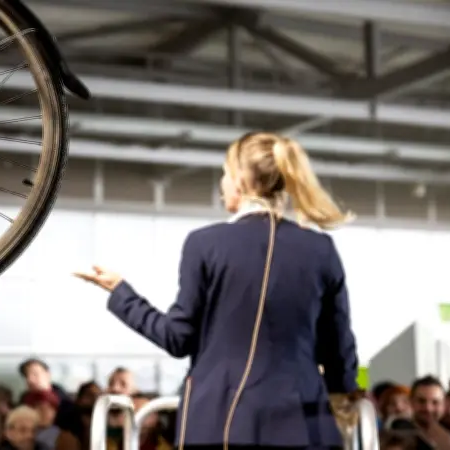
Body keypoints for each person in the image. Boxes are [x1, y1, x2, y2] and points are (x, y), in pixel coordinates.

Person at [75, 132, 359, 450]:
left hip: (219, 423)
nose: (222, 183)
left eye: (224, 174)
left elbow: (177, 338)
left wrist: (120, 292)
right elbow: (339, 349)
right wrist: (344, 398)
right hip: (303, 425)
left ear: (239, 181)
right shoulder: (320, 249)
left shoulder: (206, 244)